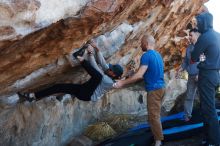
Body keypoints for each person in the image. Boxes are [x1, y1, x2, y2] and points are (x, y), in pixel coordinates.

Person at [18, 40, 123, 102]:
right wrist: (96, 48)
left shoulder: (108, 81)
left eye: (111, 70)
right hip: (86, 89)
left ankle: (79, 57)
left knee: (98, 76)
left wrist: (88, 56)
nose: (108, 68)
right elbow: (103, 63)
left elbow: (96, 69)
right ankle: (33, 96)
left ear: (113, 74)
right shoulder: (110, 73)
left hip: (86, 95)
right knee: (58, 87)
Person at [114, 34, 165, 146]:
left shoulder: (146, 55)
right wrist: (133, 73)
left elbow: (139, 76)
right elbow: (150, 71)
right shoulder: (158, 55)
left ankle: (158, 142)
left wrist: (122, 82)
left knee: (153, 116)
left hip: (154, 90)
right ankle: (156, 135)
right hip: (162, 88)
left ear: (146, 44)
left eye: (142, 43)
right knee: (155, 114)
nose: (140, 45)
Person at [191, 12, 220, 146]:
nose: (197, 25)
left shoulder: (205, 37)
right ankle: (208, 139)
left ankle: (214, 141)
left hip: (207, 76)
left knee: (209, 110)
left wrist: (201, 56)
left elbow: (194, 57)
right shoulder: (217, 35)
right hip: (214, 74)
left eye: (199, 22)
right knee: (208, 108)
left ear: (204, 22)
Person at [176, 29, 200, 121]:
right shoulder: (189, 48)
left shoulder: (202, 46)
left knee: (204, 97)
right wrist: (180, 70)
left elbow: (205, 61)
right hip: (191, 76)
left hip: (201, 76)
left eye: (191, 35)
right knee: (189, 97)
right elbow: (186, 61)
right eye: (189, 35)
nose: (189, 37)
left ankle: (207, 116)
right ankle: (187, 117)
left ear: (197, 35)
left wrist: (200, 74)